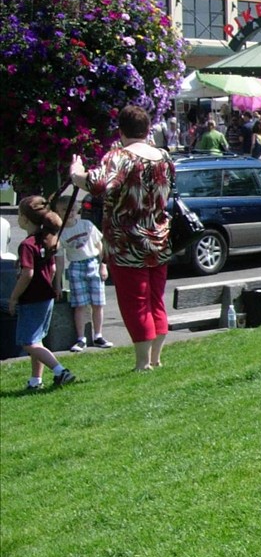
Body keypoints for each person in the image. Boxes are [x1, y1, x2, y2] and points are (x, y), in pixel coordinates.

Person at [70, 105, 173, 372]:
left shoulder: (119, 156)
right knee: (155, 299)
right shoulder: (163, 156)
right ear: (148, 129)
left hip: (126, 242)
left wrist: (75, 172)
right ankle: (155, 358)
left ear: (121, 131)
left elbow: (96, 184)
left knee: (135, 303)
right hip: (159, 239)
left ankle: (142, 363)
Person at [7, 196, 75, 390]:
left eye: (19, 215)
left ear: (25, 219)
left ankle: (60, 371)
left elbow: (27, 274)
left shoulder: (27, 245)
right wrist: (52, 285)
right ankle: (35, 380)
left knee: (28, 342)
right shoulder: (47, 240)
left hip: (31, 299)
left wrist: (14, 297)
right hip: (46, 297)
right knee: (37, 340)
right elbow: (51, 269)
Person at [52, 194, 111, 352]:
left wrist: (103, 266)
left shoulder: (86, 225)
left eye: (72, 209)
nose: (69, 213)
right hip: (75, 266)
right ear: (58, 212)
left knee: (98, 303)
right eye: (65, 210)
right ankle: (81, 338)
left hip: (93, 263)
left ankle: (98, 335)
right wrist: (58, 283)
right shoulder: (60, 234)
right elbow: (59, 260)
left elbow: (100, 246)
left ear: (77, 209)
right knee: (80, 305)